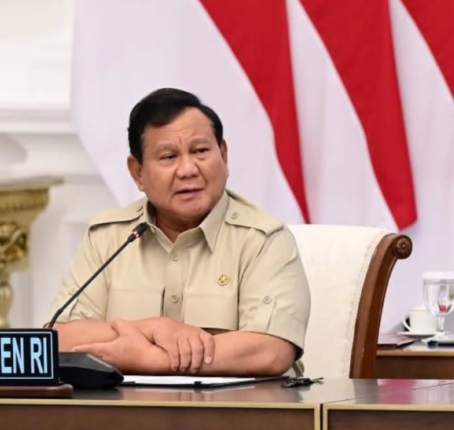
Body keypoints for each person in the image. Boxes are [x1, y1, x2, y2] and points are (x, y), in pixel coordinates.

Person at [47, 88, 311, 376]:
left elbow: (271, 351)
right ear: (138, 172)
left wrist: (151, 359)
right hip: (127, 406)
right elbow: (59, 339)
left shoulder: (262, 240)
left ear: (223, 156)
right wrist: (153, 328)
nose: (187, 170)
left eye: (200, 151)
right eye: (169, 156)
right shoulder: (109, 237)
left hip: (234, 405)